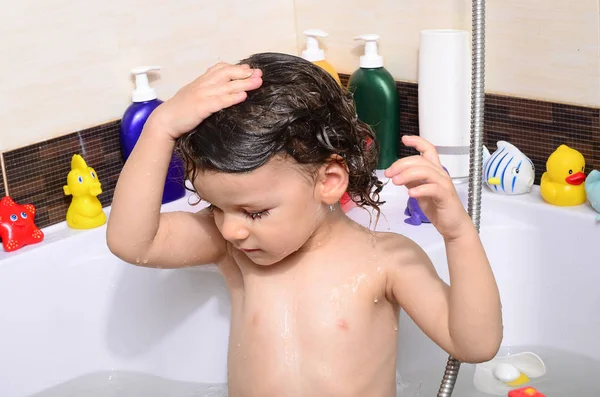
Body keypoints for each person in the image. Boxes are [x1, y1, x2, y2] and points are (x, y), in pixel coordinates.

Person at [107, 52, 502, 397]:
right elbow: (134, 244)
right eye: (215, 207)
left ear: (329, 182)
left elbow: (475, 345)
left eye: (255, 212)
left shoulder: (386, 261)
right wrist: (161, 127)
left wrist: (457, 233)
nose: (230, 229)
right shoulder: (233, 249)